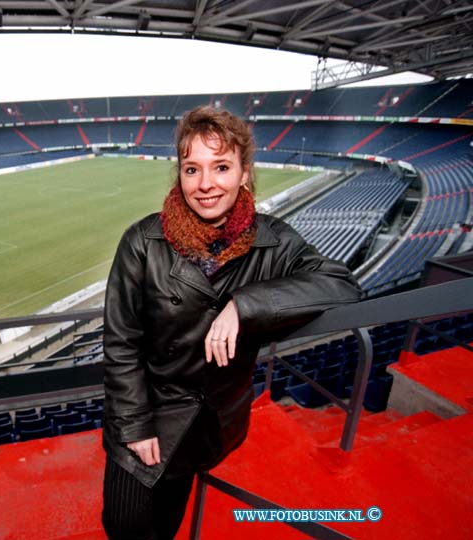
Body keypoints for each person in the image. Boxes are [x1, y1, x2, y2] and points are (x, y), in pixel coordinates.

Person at [101, 106, 362, 539]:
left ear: (243, 173)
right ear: (179, 176)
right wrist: (135, 425)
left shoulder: (273, 241)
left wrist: (247, 303)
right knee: (124, 524)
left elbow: (341, 284)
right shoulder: (142, 242)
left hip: (211, 422)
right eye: (192, 169)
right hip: (147, 413)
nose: (205, 184)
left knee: (168, 516)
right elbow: (121, 343)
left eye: (221, 167)